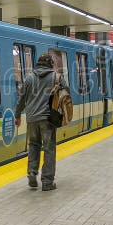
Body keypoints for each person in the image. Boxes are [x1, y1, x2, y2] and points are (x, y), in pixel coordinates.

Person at [15, 54, 68, 191]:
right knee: (49, 149)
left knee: (33, 145)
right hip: (48, 119)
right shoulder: (57, 77)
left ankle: (32, 172)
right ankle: (47, 182)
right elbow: (66, 95)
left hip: (32, 119)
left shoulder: (29, 78)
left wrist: (17, 115)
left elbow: (21, 99)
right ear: (50, 64)